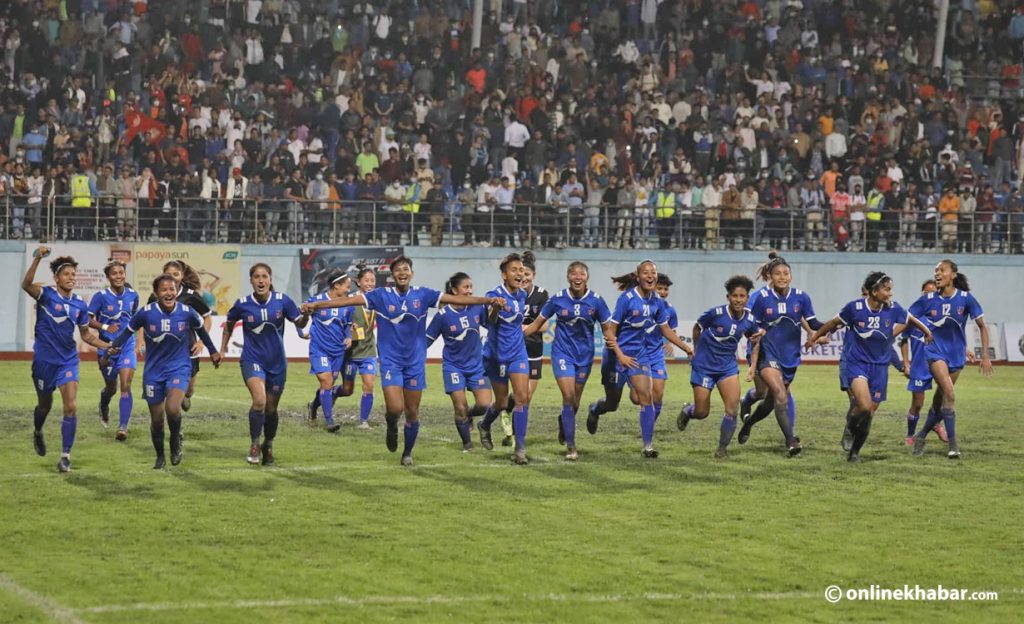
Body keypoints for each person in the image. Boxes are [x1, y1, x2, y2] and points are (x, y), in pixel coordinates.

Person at [301, 256, 502, 466]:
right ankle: (391, 424)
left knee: (412, 412)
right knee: (395, 409)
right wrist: (317, 304)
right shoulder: (380, 295)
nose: (402, 272)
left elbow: (458, 300)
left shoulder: (423, 294)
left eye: (406, 269)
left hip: (415, 363)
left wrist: (489, 301)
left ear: (411, 273)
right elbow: (348, 300)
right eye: (398, 270)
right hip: (391, 362)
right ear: (392, 275)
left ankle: (407, 453)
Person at [807, 273, 932, 461]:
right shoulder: (855, 308)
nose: (890, 293)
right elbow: (833, 323)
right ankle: (849, 427)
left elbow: (910, 319)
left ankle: (855, 452)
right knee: (864, 406)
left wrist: (927, 331)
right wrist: (815, 338)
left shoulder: (893, 308)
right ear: (874, 291)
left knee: (869, 413)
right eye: (886, 289)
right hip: (857, 364)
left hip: (880, 368)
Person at [108, 274, 222, 468]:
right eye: (164, 289)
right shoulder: (146, 313)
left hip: (179, 367)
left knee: (172, 408)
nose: (169, 293)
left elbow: (201, 330)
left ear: (176, 291)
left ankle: (175, 440)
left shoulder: (187, 312)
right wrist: (114, 347)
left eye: (172, 289)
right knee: (157, 420)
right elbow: (128, 330)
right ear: (156, 293)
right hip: (154, 372)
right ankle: (160, 456)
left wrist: (212, 351)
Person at [22, 246, 112, 473]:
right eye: (66, 274)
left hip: (68, 361)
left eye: (73, 274)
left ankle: (65, 456)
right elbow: (26, 285)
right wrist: (37, 258)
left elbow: (86, 335)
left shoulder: (80, 304)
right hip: (44, 361)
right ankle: (38, 430)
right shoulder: (46, 294)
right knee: (45, 405)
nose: (71, 278)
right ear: (56, 278)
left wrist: (108, 346)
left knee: (71, 406)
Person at [522, 261, 614, 461]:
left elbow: (608, 328)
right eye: (573, 274)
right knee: (568, 396)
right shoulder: (558, 299)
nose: (577, 277)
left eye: (581, 274)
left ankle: (564, 422)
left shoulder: (597, 301)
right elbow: (537, 324)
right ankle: (571, 448)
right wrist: (515, 336)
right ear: (568, 277)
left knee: (575, 402)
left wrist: (615, 347)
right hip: (562, 354)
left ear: (587, 278)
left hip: (585, 356)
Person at [221, 263, 310, 466]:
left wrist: (305, 315)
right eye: (256, 277)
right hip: (252, 360)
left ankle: (268, 444)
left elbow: (300, 323)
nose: (261, 280)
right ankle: (254, 443)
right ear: (251, 280)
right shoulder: (242, 304)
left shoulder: (282, 301)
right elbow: (228, 324)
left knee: (271, 409)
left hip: (277, 363)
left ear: (270, 280)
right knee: (259, 401)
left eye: (264, 276)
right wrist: (222, 349)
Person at [736, 253, 823, 456]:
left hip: (789, 355)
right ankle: (791, 440)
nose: (782, 277)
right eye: (778, 274)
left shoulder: (801, 297)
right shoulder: (759, 298)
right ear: (770, 276)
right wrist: (755, 331)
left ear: (791, 276)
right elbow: (746, 322)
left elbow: (814, 322)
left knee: (770, 400)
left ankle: (749, 423)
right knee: (780, 394)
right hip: (766, 352)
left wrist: (829, 328)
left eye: (786, 273)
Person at [604, 260, 694, 458]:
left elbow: (666, 330)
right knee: (611, 404)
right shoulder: (626, 299)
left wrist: (687, 349)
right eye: (646, 272)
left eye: (653, 272)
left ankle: (647, 446)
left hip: (638, 355)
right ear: (638, 276)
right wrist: (620, 355)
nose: (650, 276)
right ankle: (595, 410)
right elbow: (610, 332)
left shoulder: (657, 302)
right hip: (616, 354)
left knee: (646, 398)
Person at [908, 260, 993, 458]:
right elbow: (907, 317)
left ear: (953, 274)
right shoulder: (928, 299)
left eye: (941, 270)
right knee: (950, 394)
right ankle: (953, 446)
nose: (937, 273)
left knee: (939, 403)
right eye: (935, 271)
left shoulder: (965, 299)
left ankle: (920, 436)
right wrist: (897, 332)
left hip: (956, 354)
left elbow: (982, 325)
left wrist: (986, 355)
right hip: (935, 352)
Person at [676, 275, 763, 458]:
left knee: (732, 410)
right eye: (734, 296)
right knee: (702, 412)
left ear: (747, 298)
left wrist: (753, 366)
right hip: (704, 366)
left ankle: (722, 449)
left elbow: (755, 341)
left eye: (742, 296)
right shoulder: (715, 314)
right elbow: (697, 328)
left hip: (727, 367)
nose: (738, 300)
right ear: (728, 298)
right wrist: (696, 350)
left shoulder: (750, 319)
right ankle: (687, 411)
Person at [425, 272, 497, 452]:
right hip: (453, 367)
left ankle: (470, 416)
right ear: (454, 290)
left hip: (477, 366)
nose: (470, 291)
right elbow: (427, 340)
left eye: (471, 287)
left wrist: (495, 309)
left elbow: (492, 324)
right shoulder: (442, 315)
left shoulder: (477, 308)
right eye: (466, 287)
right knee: (460, 406)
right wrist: (413, 355)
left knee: (484, 405)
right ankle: (467, 444)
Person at [476, 252, 535, 464]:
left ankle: (519, 449)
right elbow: (489, 321)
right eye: (514, 270)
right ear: (504, 275)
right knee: (501, 402)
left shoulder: (521, 295)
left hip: (517, 353)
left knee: (522, 397)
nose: (520, 274)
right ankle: (484, 424)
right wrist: (495, 309)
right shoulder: (494, 294)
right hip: (496, 356)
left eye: (521, 270)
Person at [151, 260, 212, 413]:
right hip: (164, 350)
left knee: (189, 389)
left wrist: (201, 342)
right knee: (169, 391)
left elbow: (207, 318)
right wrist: (142, 341)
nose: (172, 277)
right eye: (168, 274)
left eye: (176, 274)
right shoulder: (155, 296)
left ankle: (186, 396)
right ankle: (175, 425)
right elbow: (145, 319)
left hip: (188, 348)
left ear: (182, 276)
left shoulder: (190, 296)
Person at [88, 260, 140, 440]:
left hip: (127, 346)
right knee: (111, 388)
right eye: (114, 273)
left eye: (121, 272)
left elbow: (134, 319)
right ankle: (104, 404)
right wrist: (104, 326)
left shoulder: (133, 295)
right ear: (108, 277)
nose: (118, 276)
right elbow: (86, 320)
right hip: (107, 348)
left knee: (126, 385)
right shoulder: (100, 296)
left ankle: (123, 427)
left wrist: (138, 340)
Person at [501, 252, 548, 446]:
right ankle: (515, 436)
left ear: (533, 276)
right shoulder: (510, 294)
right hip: (512, 350)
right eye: (521, 273)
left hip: (534, 349)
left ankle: (508, 411)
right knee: (522, 394)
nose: (524, 278)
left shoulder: (541, 295)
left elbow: (545, 325)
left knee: (527, 395)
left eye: (528, 274)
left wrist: (525, 329)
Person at [301, 269, 353, 433]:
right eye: (347, 286)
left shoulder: (348, 305)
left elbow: (347, 325)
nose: (348, 290)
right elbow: (299, 319)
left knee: (328, 385)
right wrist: (301, 331)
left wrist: (348, 337)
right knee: (327, 382)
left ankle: (313, 407)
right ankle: (329, 421)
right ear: (336, 285)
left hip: (338, 351)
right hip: (319, 349)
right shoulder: (316, 301)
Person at [899, 279, 949, 445]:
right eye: (926, 292)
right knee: (918, 403)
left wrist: (965, 350)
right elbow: (903, 340)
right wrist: (906, 363)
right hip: (920, 367)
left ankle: (935, 423)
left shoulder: (940, 318)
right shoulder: (913, 319)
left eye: (932, 292)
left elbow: (951, 339)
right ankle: (910, 434)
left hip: (938, 363)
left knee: (946, 396)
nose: (929, 295)